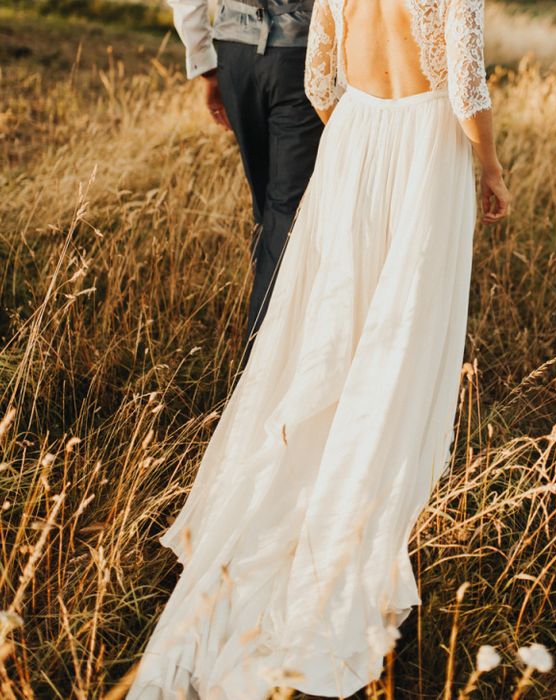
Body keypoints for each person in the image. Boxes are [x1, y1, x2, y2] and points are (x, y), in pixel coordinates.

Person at [127, 0, 509, 697]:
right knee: (396, 335)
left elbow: (322, 83)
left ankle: (295, 484)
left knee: (331, 326)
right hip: (425, 147)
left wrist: (359, 140)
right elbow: (466, 84)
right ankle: (352, 526)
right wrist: (490, 165)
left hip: (356, 133)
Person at [167, 0, 324, 361]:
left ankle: (272, 344)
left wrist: (205, 65)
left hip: (234, 55)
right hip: (298, 57)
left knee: (268, 207)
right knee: (284, 212)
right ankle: (265, 358)